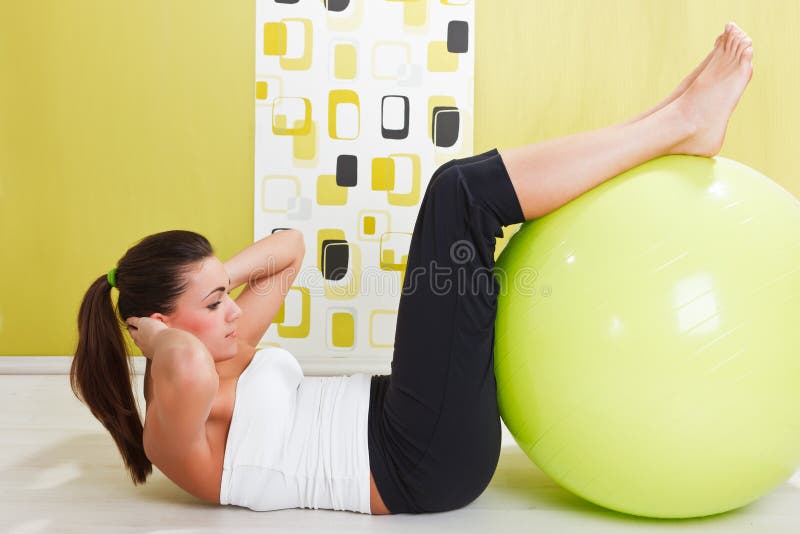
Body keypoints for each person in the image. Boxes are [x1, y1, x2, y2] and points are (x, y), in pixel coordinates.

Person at [71, 22, 754, 515]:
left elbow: (289, 251)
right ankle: (678, 125)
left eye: (226, 298)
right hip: (414, 464)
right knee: (458, 195)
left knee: (457, 195)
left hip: (400, 418)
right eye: (214, 304)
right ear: (155, 327)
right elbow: (182, 366)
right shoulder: (173, 420)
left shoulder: (224, 347)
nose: (231, 313)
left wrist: (215, 276)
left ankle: (673, 120)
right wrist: (154, 332)